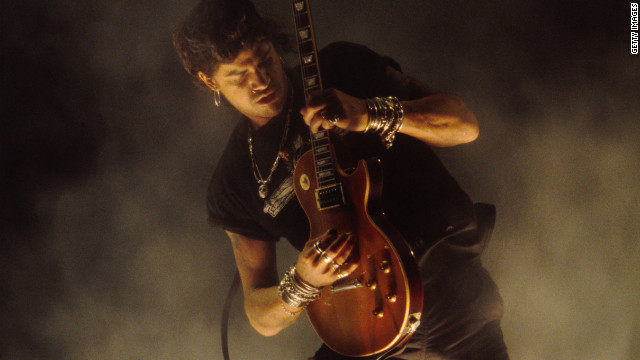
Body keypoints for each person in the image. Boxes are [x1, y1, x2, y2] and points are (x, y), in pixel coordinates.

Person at [173, 0, 509, 359]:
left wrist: (370, 113)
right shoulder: (234, 181)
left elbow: (464, 124)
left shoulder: (340, 67)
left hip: (448, 288)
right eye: (239, 76)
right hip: (363, 327)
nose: (261, 81)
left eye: (264, 59)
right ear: (209, 80)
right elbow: (259, 314)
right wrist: (302, 282)